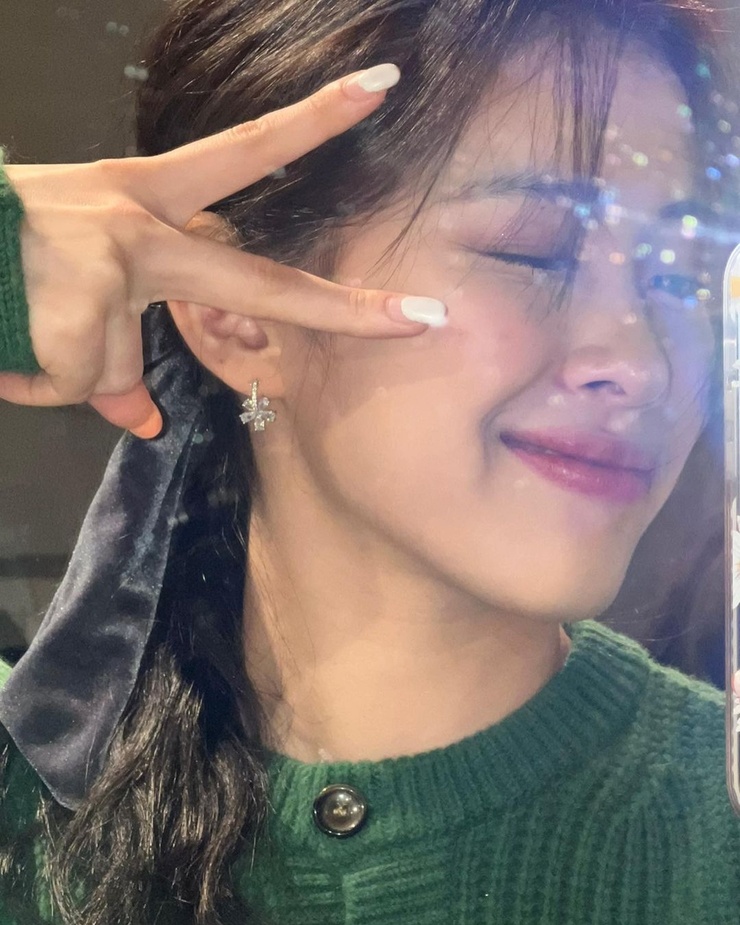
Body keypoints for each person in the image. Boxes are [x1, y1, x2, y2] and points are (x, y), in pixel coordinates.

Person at [0, 0, 738, 922]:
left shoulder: (720, 824)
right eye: (532, 251)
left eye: (678, 275)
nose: (644, 364)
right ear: (237, 316)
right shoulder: (31, 781)